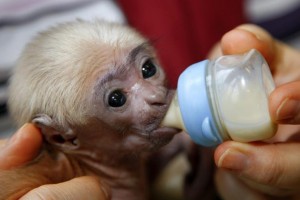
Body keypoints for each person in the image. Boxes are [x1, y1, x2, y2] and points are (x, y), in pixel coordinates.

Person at [1, 24, 300, 199]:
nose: (157, 94)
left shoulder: (169, 151)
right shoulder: (60, 189)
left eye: (147, 68)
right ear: (63, 137)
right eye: (116, 98)